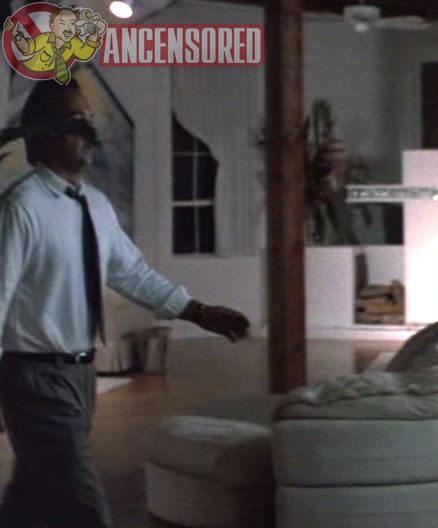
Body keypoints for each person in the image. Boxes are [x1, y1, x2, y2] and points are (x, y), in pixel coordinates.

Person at [0, 81, 250, 528]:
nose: (90, 132)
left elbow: (131, 273)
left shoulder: (95, 205)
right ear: (47, 133)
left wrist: (198, 312)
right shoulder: (22, 208)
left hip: (80, 373)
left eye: (90, 120)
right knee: (81, 501)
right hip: (34, 379)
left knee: (34, 491)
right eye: (77, 122)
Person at [4, 6, 107, 85]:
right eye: (63, 24)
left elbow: (85, 52)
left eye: (72, 25)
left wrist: (94, 34)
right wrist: (17, 37)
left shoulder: (73, 44)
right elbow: (28, 48)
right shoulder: (45, 39)